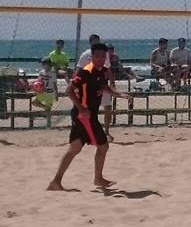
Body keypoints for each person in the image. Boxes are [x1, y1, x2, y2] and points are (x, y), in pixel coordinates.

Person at [47, 42, 130, 191]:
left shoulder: (102, 71)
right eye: (97, 56)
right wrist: (82, 108)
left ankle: (55, 182)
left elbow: (103, 86)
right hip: (84, 116)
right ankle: (98, 179)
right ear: (92, 56)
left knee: (75, 148)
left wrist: (118, 94)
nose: (100, 58)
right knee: (103, 146)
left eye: (103, 56)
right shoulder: (86, 72)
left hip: (85, 115)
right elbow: (69, 90)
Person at [78, 34, 115, 140]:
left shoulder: (104, 54)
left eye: (97, 41)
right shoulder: (85, 55)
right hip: (90, 86)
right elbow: (79, 69)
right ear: (90, 43)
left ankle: (106, 132)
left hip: (102, 84)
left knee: (108, 107)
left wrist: (112, 83)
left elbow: (108, 68)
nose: (96, 43)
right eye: (94, 42)